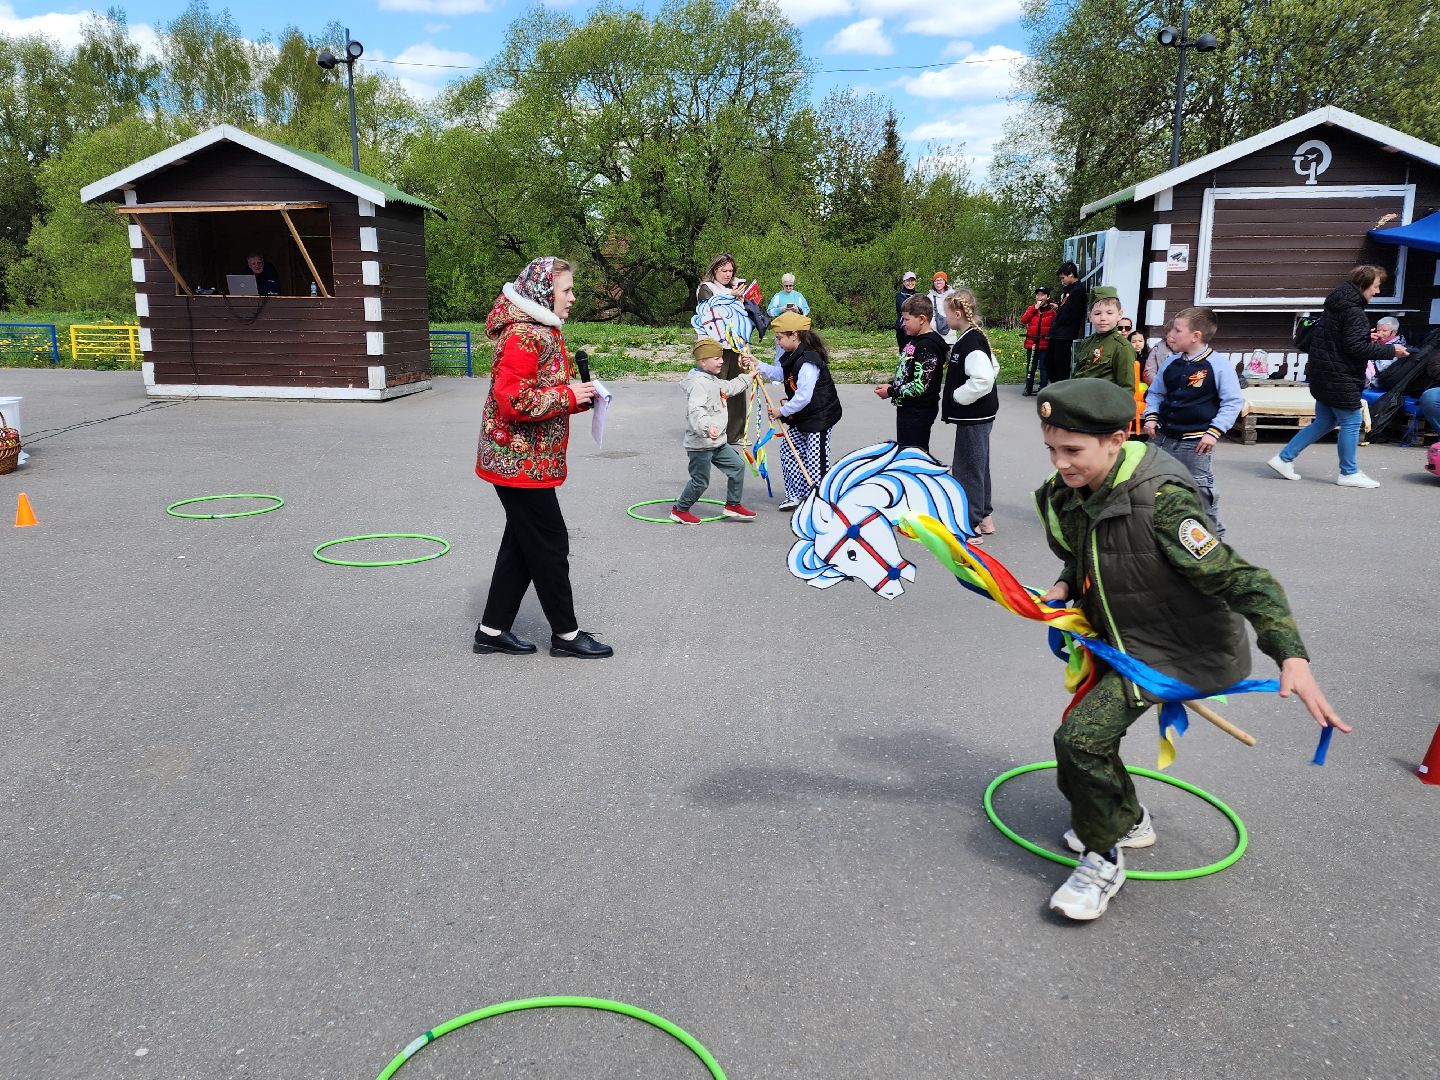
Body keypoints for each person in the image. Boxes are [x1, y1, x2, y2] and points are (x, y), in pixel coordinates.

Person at [1033, 378, 1346, 921]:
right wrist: (1065, 584)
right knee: (1086, 739)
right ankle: (1127, 820)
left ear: (1115, 439)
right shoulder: (1079, 488)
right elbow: (1090, 548)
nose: (1061, 464)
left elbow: (1244, 579)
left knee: (1079, 740)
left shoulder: (1163, 502)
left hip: (1178, 650)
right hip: (1123, 640)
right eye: (1052, 450)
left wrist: (1291, 655)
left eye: (1073, 450)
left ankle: (1103, 857)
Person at [474, 257, 612, 659]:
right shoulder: (524, 335)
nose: (572, 297)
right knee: (550, 544)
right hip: (517, 461)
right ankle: (566, 636)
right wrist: (570, 395)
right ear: (542, 292)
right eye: (566, 290)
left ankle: (492, 629)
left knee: (521, 544)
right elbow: (514, 400)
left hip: (527, 459)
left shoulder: (541, 331)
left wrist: (577, 398)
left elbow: (539, 390)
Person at [1267, 265, 1409, 488]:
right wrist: (1392, 350)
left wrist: (1364, 337)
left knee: (1325, 420)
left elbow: (1343, 341)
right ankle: (1349, 472)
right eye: (1375, 286)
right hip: (1340, 377)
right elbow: (1355, 348)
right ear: (1363, 285)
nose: (1377, 291)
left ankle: (1284, 458)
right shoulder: (1355, 313)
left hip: (1324, 374)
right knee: (1352, 421)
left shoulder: (1336, 305)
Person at [1141, 307, 1243, 537]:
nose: (1171, 335)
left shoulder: (1217, 365)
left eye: (1178, 330)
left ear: (1195, 336)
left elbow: (1232, 402)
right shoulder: (1171, 363)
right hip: (1161, 438)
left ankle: (1213, 539)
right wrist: (1152, 415)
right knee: (1149, 483)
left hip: (1195, 443)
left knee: (1200, 491)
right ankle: (1155, 532)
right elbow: (1156, 393)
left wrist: (1214, 431)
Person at [755, 311, 843, 511]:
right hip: (801, 416)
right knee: (788, 450)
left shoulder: (809, 362)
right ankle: (795, 494)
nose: (777, 342)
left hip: (819, 416)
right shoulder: (792, 356)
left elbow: (804, 396)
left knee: (815, 458)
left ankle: (819, 498)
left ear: (794, 335)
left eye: (779, 338)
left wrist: (782, 411)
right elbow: (781, 374)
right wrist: (758, 365)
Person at [670, 339, 757, 525]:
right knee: (700, 481)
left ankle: (733, 505)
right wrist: (707, 427)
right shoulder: (698, 384)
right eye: (717, 358)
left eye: (721, 358)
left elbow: (729, 388)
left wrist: (748, 377)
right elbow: (696, 410)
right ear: (703, 362)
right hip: (700, 444)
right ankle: (680, 510)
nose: (722, 362)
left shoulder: (713, 380)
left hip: (717, 442)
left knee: (737, 466)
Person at [940, 289, 1000, 539]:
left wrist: (958, 396)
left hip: (973, 415)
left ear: (957, 313)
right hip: (978, 415)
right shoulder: (972, 338)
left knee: (967, 468)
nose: (944, 319)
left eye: (945, 314)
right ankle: (985, 517)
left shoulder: (971, 341)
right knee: (979, 465)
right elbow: (994, 366)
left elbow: (984, 377)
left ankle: (971, 523)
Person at [875, 294, 946, 452]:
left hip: (919, 412)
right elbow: (909, 373)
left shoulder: (928, 346)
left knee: (914, 454)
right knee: (904, 451)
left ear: (921, 318)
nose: (903, 323)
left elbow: (920, 385)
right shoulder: (915, 339)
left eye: (906, 319)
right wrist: (893, 384)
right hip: (908, 408)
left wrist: (891, 391)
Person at [696, 253, 751, 447]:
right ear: (714, 271)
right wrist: (731, 295)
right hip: (715, 346)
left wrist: (744, 300)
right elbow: (709, 305)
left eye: (730, 271)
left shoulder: (734, 288)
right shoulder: (706, 288)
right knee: (715, 388)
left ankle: (735, 433)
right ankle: (712, 430)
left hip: (735, 344)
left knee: (737, 386)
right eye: (724, 271)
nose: (728, 274)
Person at [1070, 286, 1136, 393]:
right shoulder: (1086, 343)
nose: (1103, 318)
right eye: (1097, 313)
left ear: (1119, 315)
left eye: (1109, 313)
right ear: (1090, 316)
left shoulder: (1122, 347)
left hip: (1102, 405)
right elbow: (1076, 375)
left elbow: (1127, 389)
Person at [1045, 261, 1087, 387]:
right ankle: (1056, 386)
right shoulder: (1069, 290)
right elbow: (1067, 309)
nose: (1062, 280)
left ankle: (1060, 389)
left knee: (1060, 364)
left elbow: (1074, 314)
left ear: (1071, 275)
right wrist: (1059, 309)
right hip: (1057, 333)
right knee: (1049, 363)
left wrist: (1060, 318)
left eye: (1063, 278)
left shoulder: (1078, 291)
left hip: (1065, 334)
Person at [1020, 286, 1055, 396]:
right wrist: (1034, 308)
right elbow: (1023, 320)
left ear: (1048, 297)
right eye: (1038, 294)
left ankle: (1043, 388)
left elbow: (1055, 325)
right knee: (1031, 366)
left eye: (1042, 294)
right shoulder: (1032, 309)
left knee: (1044, 367)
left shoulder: (1052, 311)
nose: (1039, 297)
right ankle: (1028, 387)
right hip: (1032, 343)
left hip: (1045, 343)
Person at [1365, 316, 1406, 387]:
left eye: (1384, 331)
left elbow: (1380, 368)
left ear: (1394, 332)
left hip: (1376, 381)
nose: (1380, 334)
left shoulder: (1398, 348)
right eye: (1378, 330)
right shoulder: (1376, 342)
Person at [895, 271, 919, 354]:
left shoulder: (918, 295)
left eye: (912, 280)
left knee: (914, 351)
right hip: (903, 329)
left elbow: (922, 309)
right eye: (908, 281)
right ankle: (903, 366)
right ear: (904, 282)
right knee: (904, 351)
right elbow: (905, 309)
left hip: (916, 327)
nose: (910, 283)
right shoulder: (899, 296)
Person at [927, 271, 955, 337]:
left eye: (940, 280)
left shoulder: (953, 295)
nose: (938, 282)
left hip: (950, 333)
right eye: (936, 280)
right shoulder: (929, 296)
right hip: (935, 333)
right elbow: (929, 315)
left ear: (945, 281)